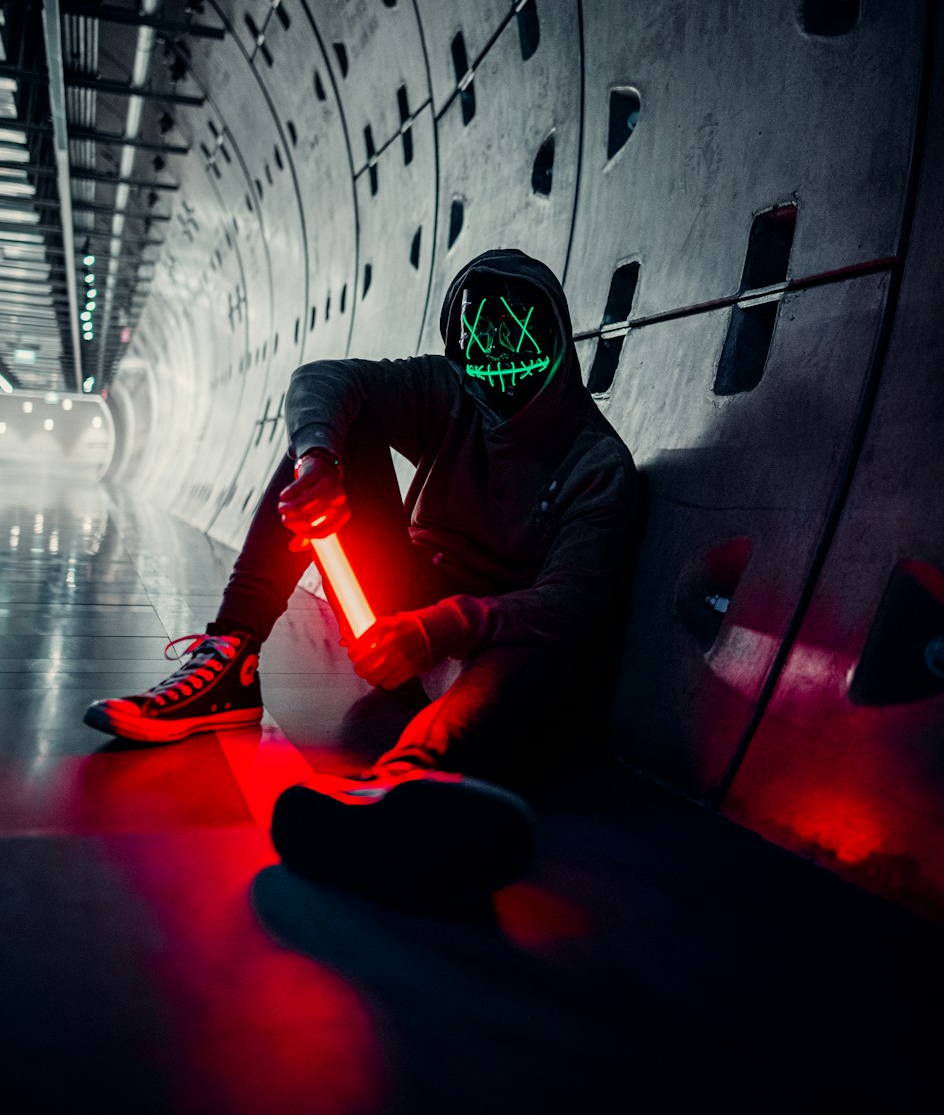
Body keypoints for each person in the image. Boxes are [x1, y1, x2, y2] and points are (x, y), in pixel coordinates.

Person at [84, 249, 639, 906]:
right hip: (398, 632)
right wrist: (319, 457)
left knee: (533, 652)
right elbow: (323, 378)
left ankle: (403, 785)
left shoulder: (597, 464)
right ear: (458, 350)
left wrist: (446, 628)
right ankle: (230, 662)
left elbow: (565, 605)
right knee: (320, 446)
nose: (500, 372)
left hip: (488, 665)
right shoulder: (451, 390)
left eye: (517, 347)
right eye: (480, 351)